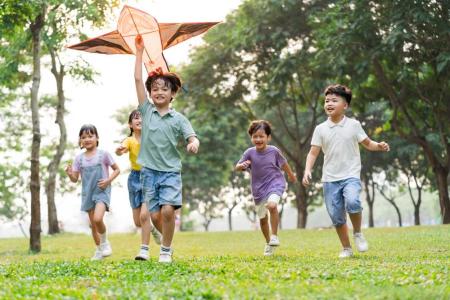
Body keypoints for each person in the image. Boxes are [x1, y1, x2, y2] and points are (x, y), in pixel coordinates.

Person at [302, 84, 390, 258]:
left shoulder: (354, 125)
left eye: (334, 100)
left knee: (353, 202)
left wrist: (378, 146)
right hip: (329, 179)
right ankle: (347, 248)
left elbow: (367, 143)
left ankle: (357, 232)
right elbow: (313, 152)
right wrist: (307, 170)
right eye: (327, 101)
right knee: (337, 217)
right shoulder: (320, 129)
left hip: (350, 175)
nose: (329, 103)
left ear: (345, 105)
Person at [134, 34, 200, 263]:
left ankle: (165, 250)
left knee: (168, 211)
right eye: (155, 89)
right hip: (149, 172)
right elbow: (136, 80)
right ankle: (166, 243)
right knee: (154, 215)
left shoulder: (179, 119)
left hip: (171, 171)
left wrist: (193, 143)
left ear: (173, 94)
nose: (158, 92)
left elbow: (192, 137)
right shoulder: (146, 111)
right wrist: (139, 52)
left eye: (164, 89)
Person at [235, 120, 296, 256]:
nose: (258, 139)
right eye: (255, 136)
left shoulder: (274, 151)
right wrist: (243, 165)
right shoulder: (249, 153)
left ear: (268, 137)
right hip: (258, 190)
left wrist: (291, 175)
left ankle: (274, 235)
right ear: (251, 137)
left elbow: (284, 164)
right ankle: (268, 242)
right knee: (263, 219)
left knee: (272, 205)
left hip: (275, 183)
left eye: (261, 136)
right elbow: (237, 167)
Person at [65, 124, 120, 260]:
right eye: (84, 137)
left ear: (97, 138)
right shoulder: (79, 159)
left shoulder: (104, 154)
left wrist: (108, 181)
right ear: (80, 141)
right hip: (87, 193)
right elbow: (75, 179)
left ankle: (105, 243)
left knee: (97, 218)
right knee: (93, 225)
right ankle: (99, 250)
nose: (87, 139)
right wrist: (69, 173)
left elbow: (117, 170)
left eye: (90, 136)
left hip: (102, 191)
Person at [115, 109, 162, 261]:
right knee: (138, 222)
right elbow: (122, 148)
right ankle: (152, 229)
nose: (139, 120)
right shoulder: (129, 140)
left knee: (144, 216)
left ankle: (144, 251)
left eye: (142, 118)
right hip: (134, 179)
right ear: (130, 124)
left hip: (149, 178)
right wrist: (119, 150)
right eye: (135, 118)